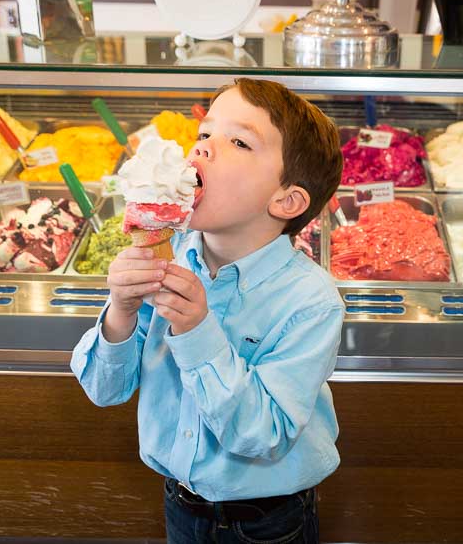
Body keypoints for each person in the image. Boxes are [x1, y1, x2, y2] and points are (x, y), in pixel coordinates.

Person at [71, 78, 345, 544]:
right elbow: (105, 389)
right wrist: (121, 310)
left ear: (287, 200)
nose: (203, 150)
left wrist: (198, 329)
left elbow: (264, 435)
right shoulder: (170, 255)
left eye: (238, 141)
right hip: (179, 502)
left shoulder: (310, 302)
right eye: (204, 134)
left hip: (269, 519)